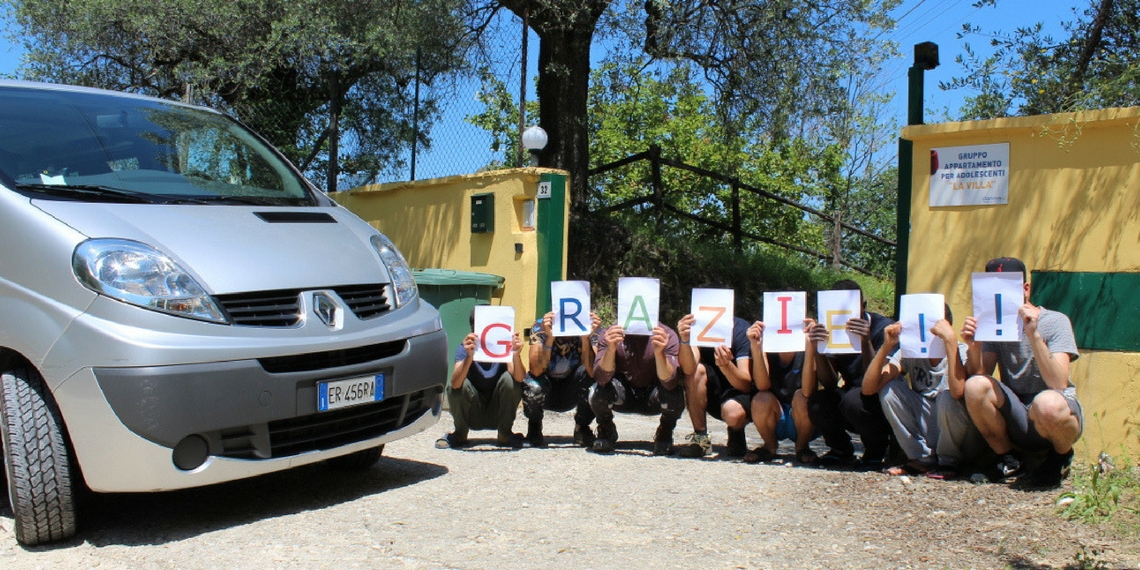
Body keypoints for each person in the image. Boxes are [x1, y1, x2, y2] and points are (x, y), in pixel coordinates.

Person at [961, 257, 1082, 488]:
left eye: (1005, 287)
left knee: (1047, 402)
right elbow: (979, 375)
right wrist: (974, 345)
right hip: (1018, 412)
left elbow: (1058, 383)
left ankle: (1059, 458)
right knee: (975, 385)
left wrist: (1034, 334)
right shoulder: (993, 326)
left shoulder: (1056, 321)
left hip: (1056, 411)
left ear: (1025, 288)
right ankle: (1008, 458)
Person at [862, 309, 968, 476]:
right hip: (926, 419)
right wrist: (886, 347)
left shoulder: (960, 350)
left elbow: (957, 392)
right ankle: (921, 458)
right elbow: (868, 389)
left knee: (947, 397)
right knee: (889, 389)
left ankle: (949, 462)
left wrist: (950, 342)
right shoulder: (910, 352)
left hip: (956, 428)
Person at [803, 280, 895, 468]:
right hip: (852, 398)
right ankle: (840, 449)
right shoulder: (833, 327)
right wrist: (817, 349)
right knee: (819, 400)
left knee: (854, 399)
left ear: (863, 307)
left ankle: (876, 450)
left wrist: (865, 341)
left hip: (880, 400)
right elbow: (829, 382)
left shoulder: (883, 328)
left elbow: (875, 380)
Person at [589, 322, 685, 455]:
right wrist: (610, 349)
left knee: (675, 395)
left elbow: (670, 382)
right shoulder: (610, 333)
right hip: (624, 394)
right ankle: (606, 428)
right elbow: (601, 378)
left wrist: (659, 354)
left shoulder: (666, 334)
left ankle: (665, 431)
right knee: (597, 391)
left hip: (653, 395)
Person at [436, 309, 526, 449]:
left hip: (497, 410)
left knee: (511, 381)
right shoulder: (464, 347)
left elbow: (519, 379)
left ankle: (505, 434)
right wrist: (469, 356)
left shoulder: (503, 346)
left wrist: (515, 355)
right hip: (473, 411)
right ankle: (460, 434)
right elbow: (455, 383)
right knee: (459, 384)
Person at [676, 313, 753, 458]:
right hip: (711, 392)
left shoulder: (741, 329)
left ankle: (736, 433)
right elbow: (688, 369)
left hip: (737, 393)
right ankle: (700, 439)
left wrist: (726, 366)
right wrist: (685, 340)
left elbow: (745, 385)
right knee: (695, 372)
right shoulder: (697, 327)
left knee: (733, 413)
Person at [524, 310, 601, 447]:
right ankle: (534, 426)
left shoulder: (589, 325)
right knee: (532, 384)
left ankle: (582, 427)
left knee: (593, 379)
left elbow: (592, 372)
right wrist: (549, 338)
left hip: (571, 388)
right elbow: (535, 371)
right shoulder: (541, 325)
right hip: (546, 387)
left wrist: (585, 338)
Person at [744, 319, 816, 464]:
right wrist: (756, 348)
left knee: (803, 397)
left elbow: (808, 391)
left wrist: (810, 350)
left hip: (803, 416)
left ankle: (802, 446)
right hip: (776, 415)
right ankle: (769, 446)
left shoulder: (807, 342)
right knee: (761, 398)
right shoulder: (768, 342)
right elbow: (762, 386)